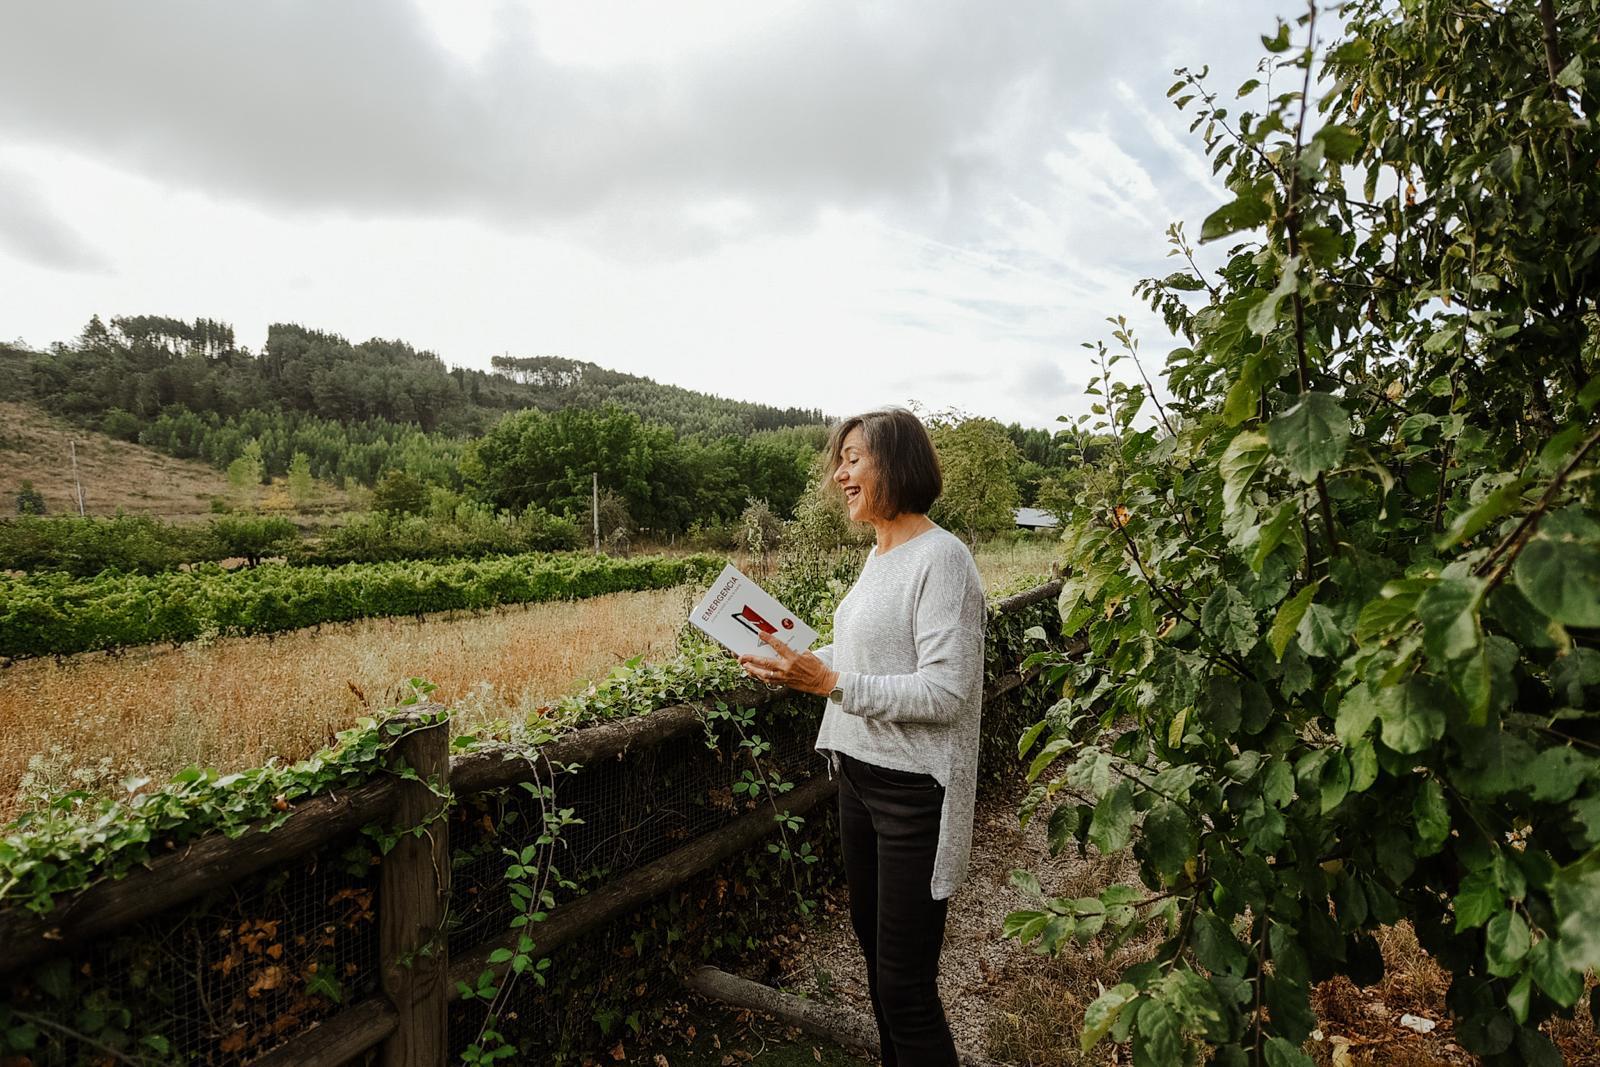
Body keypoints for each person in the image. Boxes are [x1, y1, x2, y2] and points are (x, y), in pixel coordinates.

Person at [738, 406, 985, 1067]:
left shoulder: (943, 558)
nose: (840, 473)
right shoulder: (880, 555)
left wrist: (827, 682)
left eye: (854, 457)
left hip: (913, 795)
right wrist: (792, 663)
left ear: (896, 463)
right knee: (879, 973)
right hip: (860, 778)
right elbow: (863, 661)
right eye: (839, 460)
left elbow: (943, 691)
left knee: (906, 988)